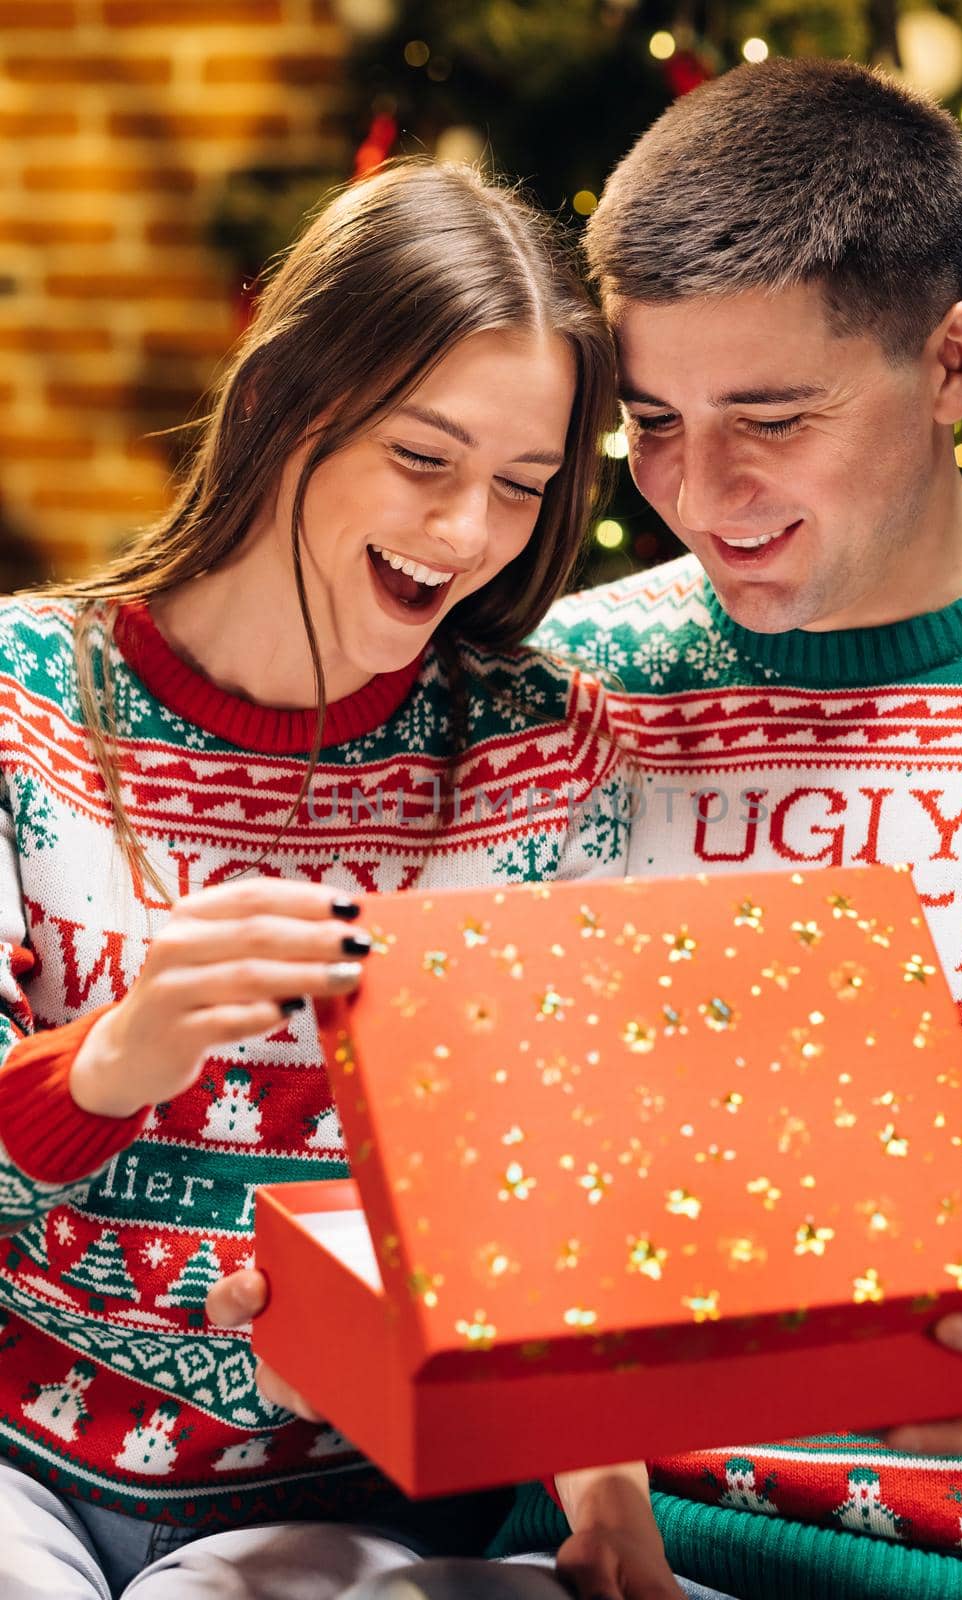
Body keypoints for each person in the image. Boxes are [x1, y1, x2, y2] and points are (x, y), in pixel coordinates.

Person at [0, 158, 722, 1600]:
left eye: (521, 488)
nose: (466, 534)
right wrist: (112, 1061)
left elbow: (560, 1194)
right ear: (280, 404)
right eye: (422, 458)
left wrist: (608, 1484)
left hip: (359, 1507)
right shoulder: (23, 700)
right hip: (26, 1468)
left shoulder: (538, 748)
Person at [491, 54, 962, 1598]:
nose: (701, 489)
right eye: (655, 420)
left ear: (953, 362)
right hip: (588, 1547)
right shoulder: (563, 699)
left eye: (772, 416)